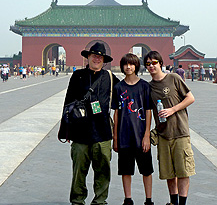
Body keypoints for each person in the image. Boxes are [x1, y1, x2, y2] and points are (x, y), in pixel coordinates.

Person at [58, 42, 119, 205]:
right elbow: (67, 104)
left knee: (103, 170)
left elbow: (126, 94)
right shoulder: (77, 76)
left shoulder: (111, 78)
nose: (97, 59)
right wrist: (66, 131)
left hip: (103, 133)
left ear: (104, 60)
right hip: (80, 133)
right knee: (79, 171)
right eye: (94, 56)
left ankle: (100, 201)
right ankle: (77, 200)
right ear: (88, 57)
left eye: (100, 57)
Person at [144, 51, 195, 205]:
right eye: (148, 64)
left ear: (160, 63)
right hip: (163, 135)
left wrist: (173, 109)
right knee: (169, 173)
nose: (151, 66)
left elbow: (190, 98)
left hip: (180, 132)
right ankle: (173, 202)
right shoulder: (149, 87)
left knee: (183, 171)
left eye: (154, 63)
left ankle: (182, 203)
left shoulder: (173, 78)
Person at [112, 53, 154, 205]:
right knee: (125, 170)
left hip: (141, 135)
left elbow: (148, 111)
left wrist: (147, 135)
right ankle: (128, 199)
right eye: (125, 64)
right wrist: (115, 137)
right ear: (122, 67)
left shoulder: (144, 86)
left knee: (147, 170)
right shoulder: (118, 87)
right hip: (124, 136)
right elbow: (116, 113)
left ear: (136, 66)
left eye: (131, 64)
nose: (128, 67)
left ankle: (148, 199)